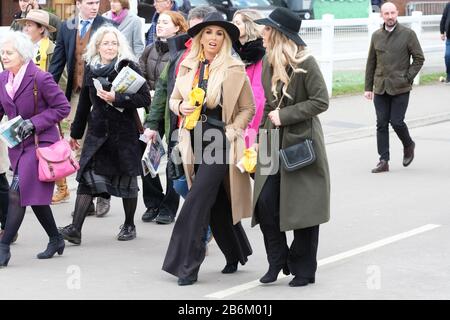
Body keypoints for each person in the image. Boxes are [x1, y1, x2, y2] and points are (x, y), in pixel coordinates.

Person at [162, 12, 255, 286]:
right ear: (200, 37)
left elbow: (248, 108)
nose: (213, 38)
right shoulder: (188, 66)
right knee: (216, 202)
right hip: (192, 138)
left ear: (224, 39)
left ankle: (187, 265)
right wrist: (180, 107)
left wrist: (233, 130)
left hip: (220, 140)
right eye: (208, 33)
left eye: (219, 34)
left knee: (197, 199)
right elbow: (173, 99)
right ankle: (237, 252)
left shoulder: (234, 69)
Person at [252, 7, 330, 287]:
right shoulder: (267, 62)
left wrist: (285, 116)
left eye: (267, 29)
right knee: (265, 202)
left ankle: (304, 269)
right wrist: (261, 135)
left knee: (303, 208)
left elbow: (321, 101)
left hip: (301, 142)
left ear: (279, 34)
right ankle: (277, 260)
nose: (262, 34)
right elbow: (268, 107)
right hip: (272, 139)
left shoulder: (306, 62)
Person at [58, 26, 151, 245]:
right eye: (106, 43)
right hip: (98, 133)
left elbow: (145, 99)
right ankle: (75, 229)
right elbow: (83, 104)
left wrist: (117, 98)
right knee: (86, 179)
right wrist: (75, 133)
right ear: (97, 46)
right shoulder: (91, 68)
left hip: (123, 135)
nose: (110, 47)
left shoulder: (128, 67)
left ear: (120, 46)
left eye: (114, 43)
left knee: (127, 182)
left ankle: (129, 225)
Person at [0, 31, 71, 267]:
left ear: (22, 54)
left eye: (9, 53)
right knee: (35, 197)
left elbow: (62, 107)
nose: (4, 56)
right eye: (2, 52)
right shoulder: (3, 78)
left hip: (42, 143)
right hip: (18, 146)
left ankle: (3, 247)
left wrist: (34, 122)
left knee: (17, 193)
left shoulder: (40, 77)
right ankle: (56, 238)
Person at [48, 0, 111, 215]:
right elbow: (57, 63)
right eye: (90, 2)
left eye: (97, 2)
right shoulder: (67, 26)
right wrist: (46, 91)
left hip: (103, 94)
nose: (95, 6)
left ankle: (103, 194)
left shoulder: (107, 25)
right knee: (79, 145)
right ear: (78, 3)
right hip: (77, 94)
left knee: (101, 144)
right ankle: (87, 199)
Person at [139, 10, 188, 224]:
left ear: (178, 27)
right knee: (148, 156)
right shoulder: (149, 49)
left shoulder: (181, 53)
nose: (159, 26)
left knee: (172, 160)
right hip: (152, 109)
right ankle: (153, 202)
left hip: (174, 111)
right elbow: (140, 76)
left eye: (165, 23)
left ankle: (169, 207)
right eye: (159, 22)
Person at [364, 2, 424, 173]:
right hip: (380, 87)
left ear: (397, 13)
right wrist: (368, 87)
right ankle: (384, 160)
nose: (390, 16)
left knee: (396, 121)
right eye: (386, 13)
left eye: (392, 13)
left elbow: (419, 59)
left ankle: (408, 144)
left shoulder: (408, 34)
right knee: (381, 123)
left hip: (401, 87)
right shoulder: (376, 36)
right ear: (381, 15)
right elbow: (371, 63)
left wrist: (407, 77)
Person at [232, 9, 266, 148]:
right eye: (233, 22)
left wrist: (248, 123)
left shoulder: (259, 53)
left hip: (250, 115)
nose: (234, 26)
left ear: (249, 25)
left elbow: (258, 94)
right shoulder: (232, 49)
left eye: (238, 23)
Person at [440, 1, 450, 84]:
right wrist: (442, 32)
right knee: (447, 56)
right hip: (449, 38)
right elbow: (443, 18)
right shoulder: (448, 5)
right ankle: (449, 75)